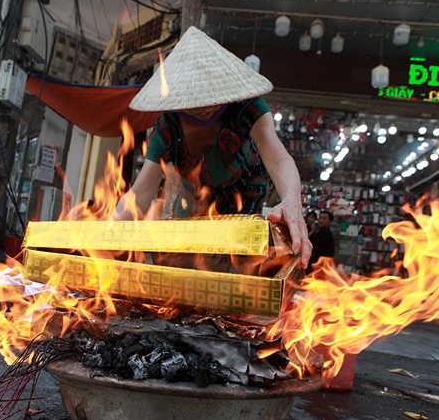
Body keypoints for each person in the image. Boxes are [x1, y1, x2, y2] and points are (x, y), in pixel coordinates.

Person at [112, 26, 312, 269]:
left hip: (245, 194)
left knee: (239, 267)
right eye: (195, 98)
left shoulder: (247, 109)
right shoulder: (167, 127)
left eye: (211, 96)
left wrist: (292, 201)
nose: (204, 106)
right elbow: (140, 192)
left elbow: (278, 158)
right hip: (194, 198)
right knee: (182, 262)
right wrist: (106, 235)